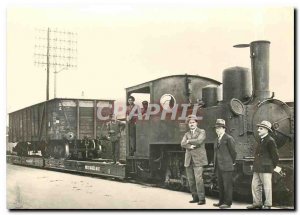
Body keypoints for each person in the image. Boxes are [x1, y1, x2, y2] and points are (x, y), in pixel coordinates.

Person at [247, 120, 279, 210]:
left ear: (266, 130)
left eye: (261, 129)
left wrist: (272, 166)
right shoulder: (261, 140)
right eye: (258, 128)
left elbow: (275, 156)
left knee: (267, 186)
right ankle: (257, 203)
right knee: (255, 185)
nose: (258, 130)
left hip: (266, 168)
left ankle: (268, 205)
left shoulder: (270, 140)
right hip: (258, 167)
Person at [181, 115, 207, 205]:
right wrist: (189, 146)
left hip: (198, 159)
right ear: (188, 124)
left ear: (196, 123)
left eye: (193, 122)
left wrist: (188, 141)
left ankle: (202, 199)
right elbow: (182, 143)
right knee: (191, 180)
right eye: (190, 123)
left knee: (198, 179)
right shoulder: (186, 134)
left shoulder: (202, 131)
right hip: (189, 160)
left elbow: (199, 141)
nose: (191, 124)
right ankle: (195, 197)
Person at [213, 119, 236, 209]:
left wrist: (231, 162)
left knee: (227, 185)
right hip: (219, 166)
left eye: (219, 128)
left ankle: (227, 203)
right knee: (221, 184)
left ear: (224, 129)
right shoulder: (216, 139)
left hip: (227, 166)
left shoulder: (229, 138)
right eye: (216, 128)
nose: (217, 130)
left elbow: (233, 153)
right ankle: (221, 201)